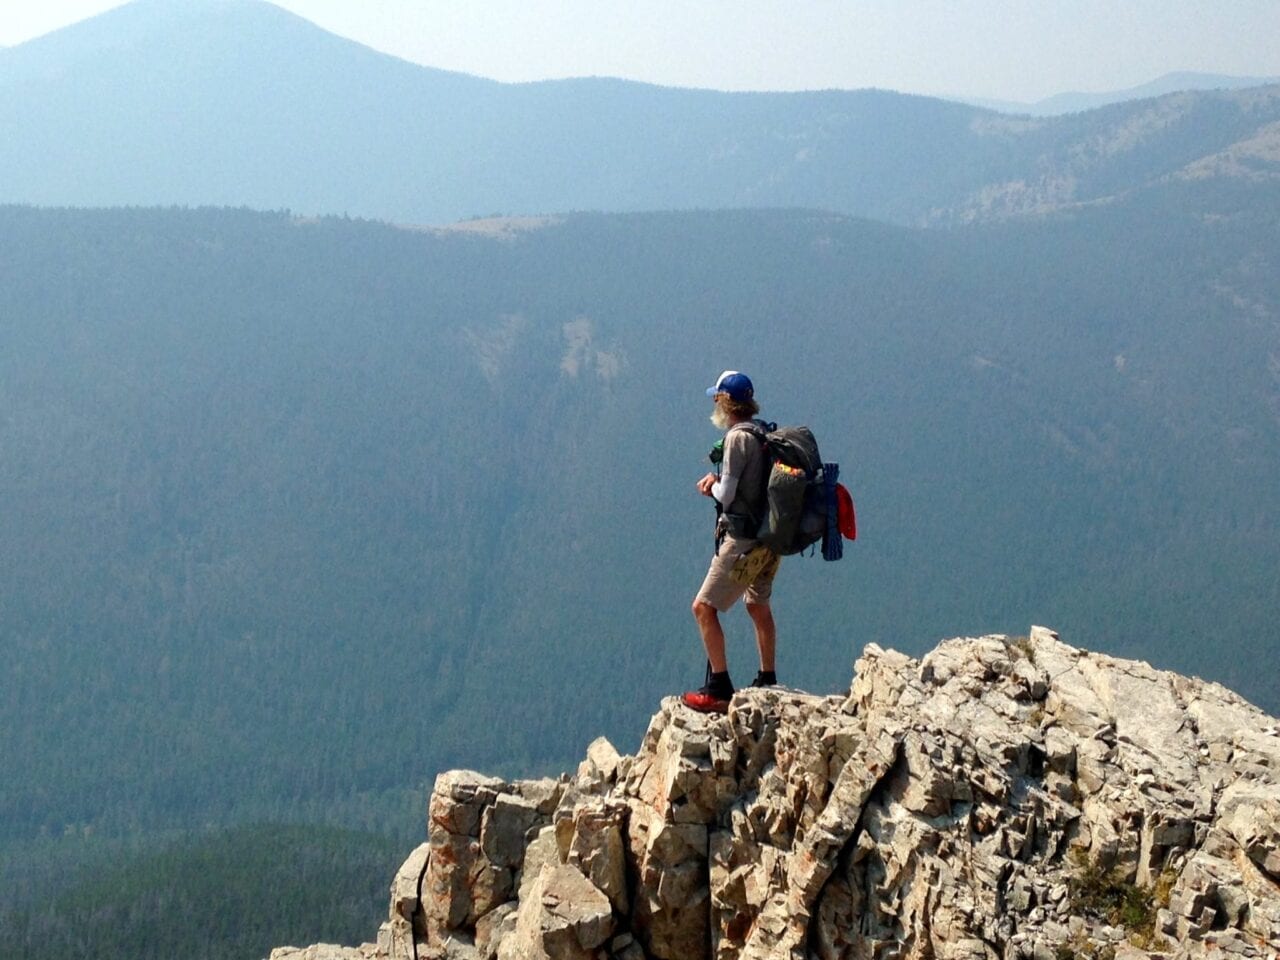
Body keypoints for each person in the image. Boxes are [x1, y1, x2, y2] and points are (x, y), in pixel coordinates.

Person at [683, 370, 781, 714]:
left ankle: (719, 688)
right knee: (757, 606)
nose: (714, 404)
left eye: (716, 398)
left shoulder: (736, 439)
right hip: (769, 540)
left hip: (741, 540)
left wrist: (711, 484)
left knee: (703, 608)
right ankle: (768, 680)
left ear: (726, 402)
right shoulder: (763, 432)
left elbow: (727, 496)